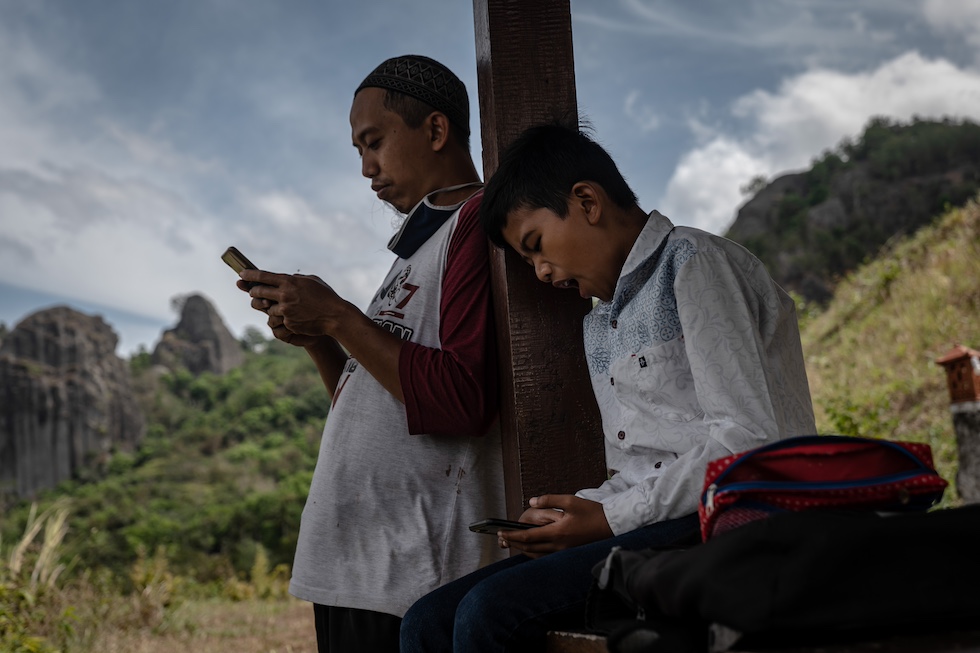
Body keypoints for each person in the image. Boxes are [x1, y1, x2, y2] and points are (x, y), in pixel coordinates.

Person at [399, 122, 817, 653]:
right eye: (527, 263)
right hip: (659, 525)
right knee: (426, 620)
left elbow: (747, 443)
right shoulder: (599, 325)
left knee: (489, 613)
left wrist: (608, 518)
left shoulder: (694, 264)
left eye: (536, 246)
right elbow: (639, 469)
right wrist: (577, 512)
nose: (543, 272)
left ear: (587, 202)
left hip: (733, 520)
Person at [236, 55, 506, 653]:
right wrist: (321, 342)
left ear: (435, 131)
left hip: (411, 571)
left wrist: (337, 315)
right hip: (351, 564)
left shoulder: (475, 224)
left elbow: (461, 400)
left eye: (374, 142)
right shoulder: (417, 249)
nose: (366, 169)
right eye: (358, 151)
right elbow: (377, 396)